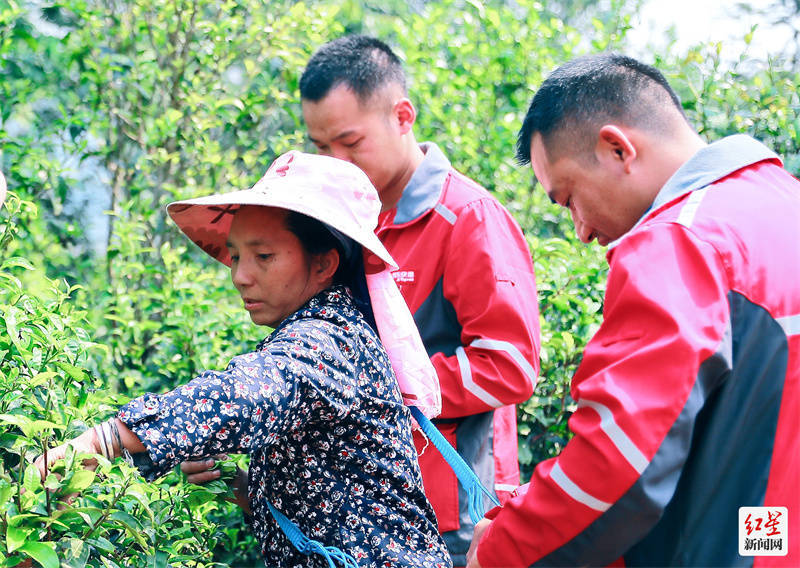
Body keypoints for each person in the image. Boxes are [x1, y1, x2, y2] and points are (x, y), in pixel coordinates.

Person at [35, 151, 452, 567]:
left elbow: (249, 393)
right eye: (236, 256)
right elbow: (330, 503)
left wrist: (101, 441)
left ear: (324, 263)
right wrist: (245, 486)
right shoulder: (320, 329)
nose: (240, 276)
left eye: (263, 257)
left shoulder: (330, 340)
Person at [466, 53, 800, 567]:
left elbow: (621, 461)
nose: (579, 230)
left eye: (569, 197)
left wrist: (500, 551)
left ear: (617, 148)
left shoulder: (681, 242)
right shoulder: (784, 206)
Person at [294, 35, 542, 567]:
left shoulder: (467, 218)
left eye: (350, 141)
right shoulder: (342, 226)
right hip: (359, 512)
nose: (336, 161)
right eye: (320, 146)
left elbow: (512, 367)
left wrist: (382, 391)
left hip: (448, 512)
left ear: (402, 116)